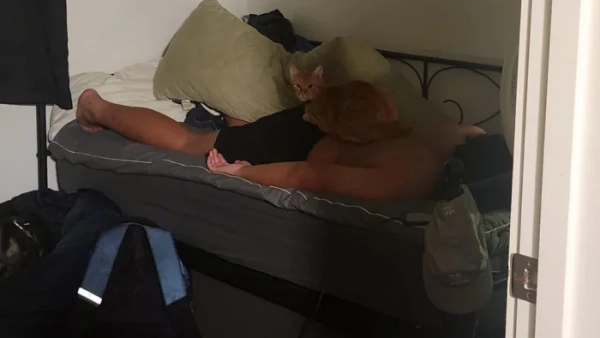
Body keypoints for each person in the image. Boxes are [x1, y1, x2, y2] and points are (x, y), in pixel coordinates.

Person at [76, 89, 485, 200]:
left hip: (328, 123)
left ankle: (237, 123)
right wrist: (244, 172)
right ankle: (96, 106)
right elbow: (306, 174)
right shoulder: (411, 176)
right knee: (189, 142)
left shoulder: (454, 139)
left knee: (248, 134)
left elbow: (469, 131)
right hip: (309, 136)